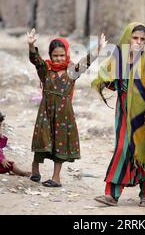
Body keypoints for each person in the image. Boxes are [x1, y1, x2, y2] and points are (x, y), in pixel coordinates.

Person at [92, 22, 145, 207]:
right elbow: (108, 79)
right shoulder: (118, 58)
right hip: (125, 111)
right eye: (135, 38)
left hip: (144, 113)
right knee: (122, 149)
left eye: (142, 39)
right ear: (128, 38)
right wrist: (108, 80)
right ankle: (111, 195)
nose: (139, 42)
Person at [27, 28, 107, 187]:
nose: (58, 58)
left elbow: (85, 63)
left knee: (60, 143)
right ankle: (35, 169)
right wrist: (30, 45)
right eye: (55, 55)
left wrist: (98, 50)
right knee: (42, 138)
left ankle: (56, 177)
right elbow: (35, 60)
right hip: (46, 111)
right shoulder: (46, 69)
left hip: (64, 114)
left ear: (67, 54)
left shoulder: (72, 71)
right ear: (50, 55)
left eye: (61, 55)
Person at [0, 109, 30, 176]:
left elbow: (1, 146)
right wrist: (1, 160)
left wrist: (1, 136)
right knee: (11, 165)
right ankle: (22, 173)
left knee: (11, 163)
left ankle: (13, 171)